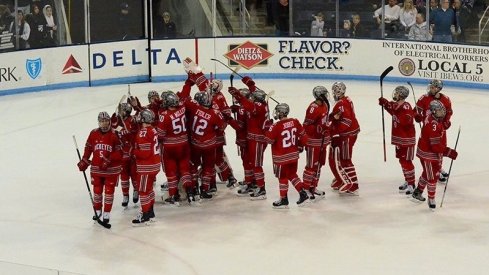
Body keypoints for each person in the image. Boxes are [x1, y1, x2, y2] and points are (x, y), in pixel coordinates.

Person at [228, 77, 272, 200]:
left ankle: (261, 189)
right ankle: (252, 183)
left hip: (258, 139)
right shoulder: (262, 103)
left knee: (256, 165)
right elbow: (250, 101)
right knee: (252, 163)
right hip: (255, 139)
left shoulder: (257, 106)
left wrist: (238, 96)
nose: (251, 98)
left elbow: (248, 105)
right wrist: (250, 84)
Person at [77, 112, 122, 225]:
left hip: (111, 170)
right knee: (97, 191)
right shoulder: (93, 133)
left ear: (109, 121)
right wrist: (85, 161)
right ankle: (98, 210)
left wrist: (109, 160)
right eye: (101, 121)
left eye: (106, 121)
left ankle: (106, 213)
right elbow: (88, 148)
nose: (104, 123)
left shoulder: (114, 134)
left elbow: (120, 152)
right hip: (97, 168)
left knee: (109, 192)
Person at [411, 100, 458, 209]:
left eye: (442, 109)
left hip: (426, 152)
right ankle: (431, 199)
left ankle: (418, 192)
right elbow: (435, 146)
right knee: (432, 177)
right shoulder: (433, 124)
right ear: (433, 111)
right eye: (440, 110)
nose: (443, 112)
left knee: (427, 173)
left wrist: (445, 125)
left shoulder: (433, 119)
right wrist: (449, 152)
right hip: (428, 155)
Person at [264, 103, 310, 208]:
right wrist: (300, 146)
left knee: (282, 177)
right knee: (293, 175)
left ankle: (283, 199)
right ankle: (303, 194)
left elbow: (269, 140)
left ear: (280, 113)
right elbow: (304, 137)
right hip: (293, 155)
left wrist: (267, 129)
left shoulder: (276, 126)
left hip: (281, 157)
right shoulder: (295, 121)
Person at [156, 91, 195, 205]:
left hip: (170, 147)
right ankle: (190, 193)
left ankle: (173, 196)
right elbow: (184, 98)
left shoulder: (164, 115)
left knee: (171, 172)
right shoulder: (182, 109)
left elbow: (161, 135)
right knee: (185, 170)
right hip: (184, 144)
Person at [378, 86, 416, 194]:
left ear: (401, 95)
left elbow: (406, 121)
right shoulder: (398, 106)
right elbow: (393, 110)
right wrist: (385, 104)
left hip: (407, 140)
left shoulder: (406, 107)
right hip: (399, 139)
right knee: (402, 161)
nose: (395, 95)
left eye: (397, 93)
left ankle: (412, 184)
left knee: (407, 161)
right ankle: (407, 180)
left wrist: (394, 109)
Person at [414, 79, 453, 183]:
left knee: (440, 149)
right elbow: (416, 111)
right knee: (430, 149)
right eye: (430, 86)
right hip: (428, 131)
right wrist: (417, 116)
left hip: (440, 130)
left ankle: (438, 168)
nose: (431, 88)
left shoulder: (446, 99)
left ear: (438, 89)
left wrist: (446, 122)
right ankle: (435, 170)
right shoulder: (423, 98)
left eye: (433, 87)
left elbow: (449, 112)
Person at [328, 82, 361, 195]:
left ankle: (353, 183)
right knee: (339, 158)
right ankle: (342, 179)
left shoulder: (340, 104)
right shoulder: (347, 99)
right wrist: (332, 117)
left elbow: (347, 121)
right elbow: (340, 116)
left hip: (347, 135)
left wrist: (335, 132)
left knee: (345, 159)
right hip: (351, 133)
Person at [132, 109, 160, 226]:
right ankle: (151, 213)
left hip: (146, 167)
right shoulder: (153, 130)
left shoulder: (143, 132)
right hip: (155, 165)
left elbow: (145, 152)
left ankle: (145, 215)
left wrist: (133, 151)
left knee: (143, 191)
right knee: (149, 190)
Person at [302, 86, 330, 200]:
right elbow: (306, 125)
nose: (326, 96)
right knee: (311, 166)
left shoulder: (325, 105)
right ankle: (306, 188)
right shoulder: (313, 108)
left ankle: (313, 186)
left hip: (322, 141)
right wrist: (318, 129)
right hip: (313, 142)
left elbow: (325, 121)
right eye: (324, 94)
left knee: (319, 165)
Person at [209, 79, 238, 190]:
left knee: (217, 158)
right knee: (212, 158)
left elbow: (226, 114)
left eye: (213, 86)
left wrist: (220, 126)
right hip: (210, 134)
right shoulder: (210, 95)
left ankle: (229, 177)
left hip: (216, 134)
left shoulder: (219, 97)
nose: (210, 87)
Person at [111, 102, 139, 207]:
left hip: (132, 153)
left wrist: (130, 131)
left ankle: (136, 190)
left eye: (121, 110)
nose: (120, 112)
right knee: (124, 176)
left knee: (134, 174)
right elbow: (112, 129)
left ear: (126, 111)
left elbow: (137, 129)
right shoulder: (118, 122)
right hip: (122, 154)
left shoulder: (132, 120)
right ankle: (125, 195)